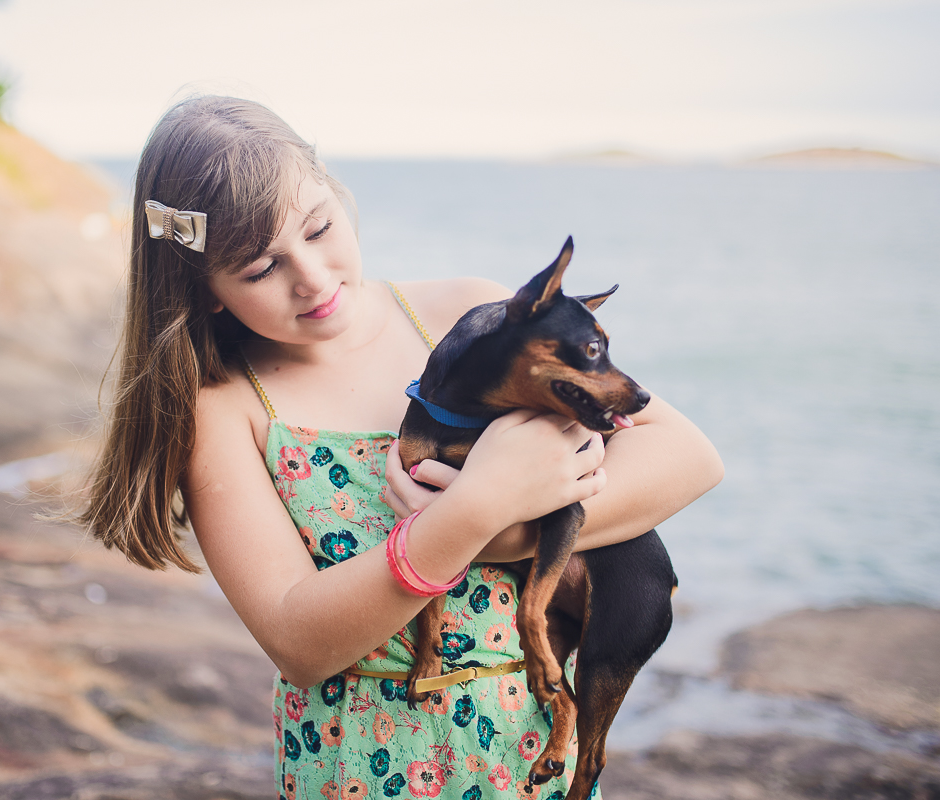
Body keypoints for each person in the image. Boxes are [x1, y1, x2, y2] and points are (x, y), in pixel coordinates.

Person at [81, 95, 723, 800]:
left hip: (532, 763)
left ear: (338, 193)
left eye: (320, 228)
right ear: (203, 290)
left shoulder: (465, 320)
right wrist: (467, 516)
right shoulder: (225, 408)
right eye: (262, 269)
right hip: (358, 771)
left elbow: (687, 456)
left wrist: (505, 529)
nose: (314, 277)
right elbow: (299, 641)